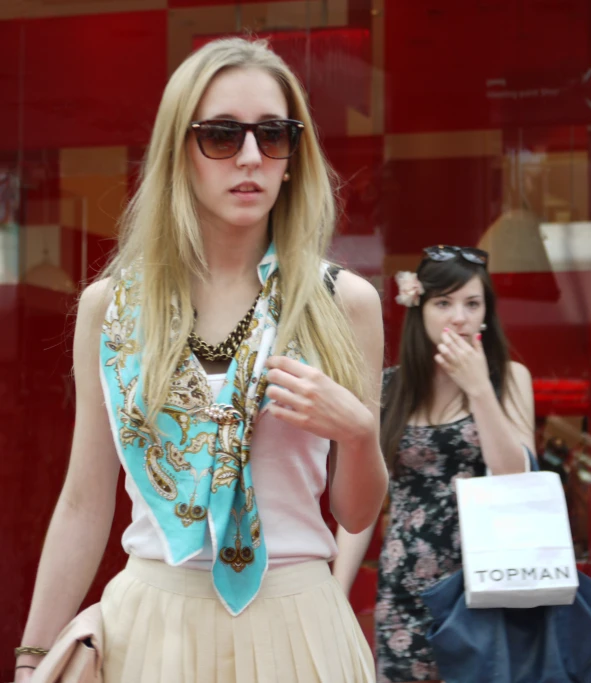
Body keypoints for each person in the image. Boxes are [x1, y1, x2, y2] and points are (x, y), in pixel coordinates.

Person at [14, 37, 388, 683]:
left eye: (273, 134)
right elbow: (84, 498)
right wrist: (31, 655)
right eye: (220, 135)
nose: (250, 156)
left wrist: (356, 432)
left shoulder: (342, 302)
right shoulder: (114, 309)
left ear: (293, 156)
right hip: (153, 622)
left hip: (295, 620)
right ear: (179, 153)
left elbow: (356, 512)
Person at [333, 245, 535, 683]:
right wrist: (336, 591)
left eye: (472, 303)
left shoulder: (510, 379)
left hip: (486, 586)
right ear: (418, 307)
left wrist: (479, 388)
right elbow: (365, 498)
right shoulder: (391, 388)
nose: (458, 317)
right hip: (405, 586)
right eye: (443, 303)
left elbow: (517, 479)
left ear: (486, 313)